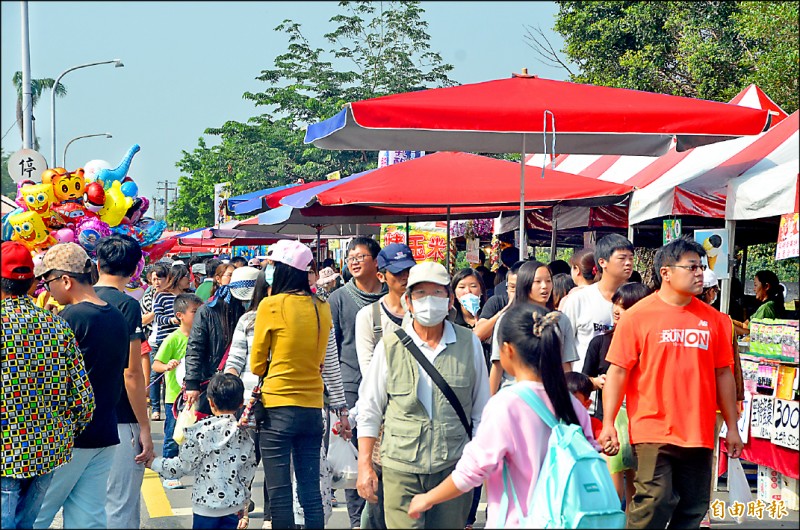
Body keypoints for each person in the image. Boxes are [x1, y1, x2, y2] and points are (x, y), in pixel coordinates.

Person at [405, 305, 597, 527]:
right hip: (569, 519)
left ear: (508, 350)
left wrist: (427, 498)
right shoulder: (572, 404)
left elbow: (472, 471)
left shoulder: (506, 405)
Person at [598, 237, 744, 529]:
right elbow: (617, 372)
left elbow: (723, 374)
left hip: (698, 430)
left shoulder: (715, 320)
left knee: (693, 507)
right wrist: (609, 422)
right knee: (656, 500)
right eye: (691, 267)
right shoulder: (638, 316)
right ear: (665, 272)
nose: (699, 273)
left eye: (701, 267)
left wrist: (733, 427)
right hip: (652, 428)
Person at [356, 262, 490, 529]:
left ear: (450, 299)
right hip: (400, 467)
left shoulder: (468, 343)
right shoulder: (390, 346)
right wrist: (365, 466)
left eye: (437, 293)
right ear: (408, 301)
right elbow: (369, 408)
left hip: (453, 467)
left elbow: (481, 411)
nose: (429, 300)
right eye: (420, 293)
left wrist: (480, 463)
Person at [33, 243, 130, 529]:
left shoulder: (70, 319)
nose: (46, 289)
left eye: (47, 281)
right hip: (104, 431)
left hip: (69, 436)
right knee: (88, 518)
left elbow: (50, 379)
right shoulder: (116, 315)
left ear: (65, 280)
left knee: (35, 515)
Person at [1, 241, 95, 530]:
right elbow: (83, 400)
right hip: (46, 450)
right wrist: (61, 433)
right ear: (31, 282)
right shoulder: (57, 326)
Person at [250, 240, 340, 529]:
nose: (269, 270)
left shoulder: (271, 305)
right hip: (313, 408)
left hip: (277, 407)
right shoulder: (321, 306)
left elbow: (256, 363)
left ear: (285, 269)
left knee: (280, 493)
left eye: (273, 265)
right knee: (310, 489)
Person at [93, 234, 156, 528]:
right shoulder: (127, 306)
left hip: (82, 419)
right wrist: (145, 427)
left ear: (98, 263)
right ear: (135, 270)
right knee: (121, 504)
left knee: (91, 503)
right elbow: (131, 371)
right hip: (120, 417)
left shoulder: (76, 303)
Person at [353, 243, 417, 529]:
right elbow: (369, 372)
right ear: (382, 276)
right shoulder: (369, 317)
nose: (404, 278)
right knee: (379, 498)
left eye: (409, 271)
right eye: (397, 273)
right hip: (385, 420)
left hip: (422, 419)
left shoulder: (426, 314)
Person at [328, 236, 387, 527]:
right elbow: (332, 344)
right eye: (350, 256)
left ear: (376, 262)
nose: (353, 260)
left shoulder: (391, 295)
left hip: (390, 384)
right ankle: (356, 520)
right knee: (355, 452)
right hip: (351, 381)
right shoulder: (338, 298)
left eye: (360, 256)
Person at [148, 373, 257, 530]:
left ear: (210, 402)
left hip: (205, 508)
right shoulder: (245, 436)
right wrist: (244, 507)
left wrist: (155, 463)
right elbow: (247, 474)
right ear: (241, 403)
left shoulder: (201, 432)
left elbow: (182, 466)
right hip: (233, 507)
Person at [582, 282, 650, 508]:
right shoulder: (600, 342)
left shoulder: (650, 343)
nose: (618, 311)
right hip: (609, 422)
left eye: (625, 306)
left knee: (637, 489)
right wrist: (596, 382)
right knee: (612, 488)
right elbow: (583, 380)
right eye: (616, 306)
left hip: (642, 422)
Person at [489, 260, 579, 394]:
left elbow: (565, 365)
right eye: (538, 282)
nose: (545, 287)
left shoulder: (560, 320)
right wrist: (488, 403)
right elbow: (497, 366)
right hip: (514, 395)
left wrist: (568, 399)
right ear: (525, 283)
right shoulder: (508, 319)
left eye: (548, 281)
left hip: (551, 396)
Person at [560, 233, 634, 372]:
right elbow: (562, 347)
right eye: (622, 258)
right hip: (585, 387)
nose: (628, 263)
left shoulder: (638, 301)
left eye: (631, 258)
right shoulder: (578, 300)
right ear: (602, 262)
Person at [152, 293, 203, 489]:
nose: (199, 316)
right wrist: (166, 366)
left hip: (197, 396)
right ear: (180, 315)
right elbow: (156, 364)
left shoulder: (202, 335)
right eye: (195, 312)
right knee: (173, 436)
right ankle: (169, 471)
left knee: (197, 436)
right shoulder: (173, 338)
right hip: (175, 398)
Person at [150, 264, 193, 420]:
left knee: (177, 376)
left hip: (186, 338)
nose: (189, 279)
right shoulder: (161, 295)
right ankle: (157, 408)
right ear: (177, 278)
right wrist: (171, 320)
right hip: (165, 338)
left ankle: (177, 403)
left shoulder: (190, 296)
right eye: (185, 277)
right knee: (158, 374)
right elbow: (157, 317)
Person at [141, 263, 168, 385]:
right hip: (153, 339)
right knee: (155, 375)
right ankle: (155, 403)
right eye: (154, 279)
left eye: (160, 278)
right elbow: (143, 320)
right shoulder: (148, 297)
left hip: (169, 338)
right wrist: (155, 311)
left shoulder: (171, 295)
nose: (157, 282)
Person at [565, 372, 603, 439]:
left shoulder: (594, 425)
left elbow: (603, 443)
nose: (568, 403)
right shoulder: (552, 422)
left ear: (587, 404)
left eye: (575, 400)